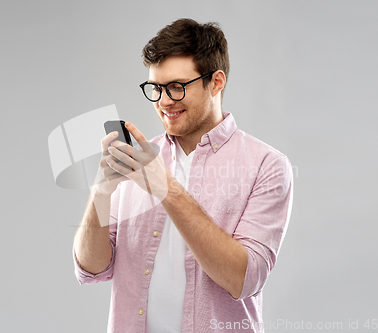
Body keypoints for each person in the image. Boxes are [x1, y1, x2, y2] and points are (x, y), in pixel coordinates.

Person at [73, 18, 293, 333]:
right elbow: (91, 269)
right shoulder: (138, 161)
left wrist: (166, 188)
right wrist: (101, 191)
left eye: (177, 87)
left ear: (216, 82)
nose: (163, 102)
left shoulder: (267, 165)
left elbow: (242, 280)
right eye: (156, 88)